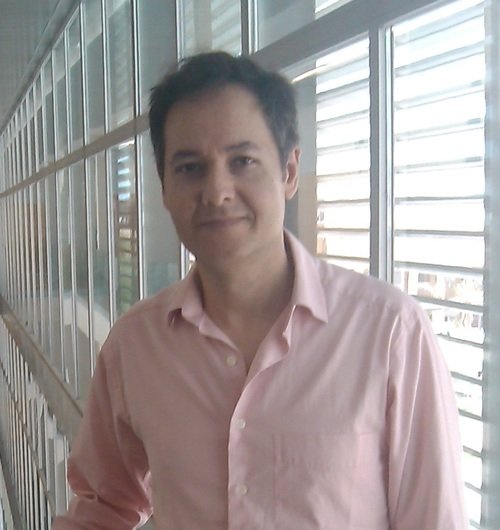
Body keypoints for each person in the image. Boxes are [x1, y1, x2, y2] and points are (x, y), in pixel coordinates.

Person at [52, 52, 468, 529]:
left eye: (243, 161)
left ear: (289, 171)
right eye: (189, 168)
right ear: (164, 188)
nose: (217, 192)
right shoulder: (135, 346)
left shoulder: (389, 333)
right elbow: (103, 505)